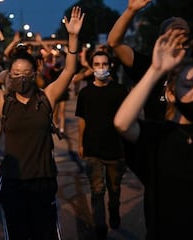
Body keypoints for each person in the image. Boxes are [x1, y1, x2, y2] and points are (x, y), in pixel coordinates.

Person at [0, 6, 84, 240]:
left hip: (43, 180)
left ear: (35, 72)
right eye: (16, 73)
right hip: (12, 182)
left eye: (26, 73)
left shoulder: (47, 97)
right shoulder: (2, 100)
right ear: (10, 74)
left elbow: (70, 69)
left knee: (46, 233)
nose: (21, 77)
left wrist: (73, 36)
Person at [114, 28, 193, 239]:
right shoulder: (158, 135)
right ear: (171, 94)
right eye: (188, 85)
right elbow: (122, 123)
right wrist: (155, 69)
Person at [107, 0, 190, 122]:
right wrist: (131, 11)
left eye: (182, 36)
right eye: (172, 36)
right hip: (157, 137)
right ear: (161, 40)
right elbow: (114, 42)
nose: (177, 42)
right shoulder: (149, 66)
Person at [75, 50, 128, 239]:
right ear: (91, 67)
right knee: (97, 190)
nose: (101, 68)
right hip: (92, 149)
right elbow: (82, 120)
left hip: (115, 149)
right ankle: (100, 226)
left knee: (114, 189)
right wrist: (80, 144)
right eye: (97, 65)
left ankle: (114, 209)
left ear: (110, 66)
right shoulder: (85, 92)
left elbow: (127, 119)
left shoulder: (120, 91)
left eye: (104, 64)